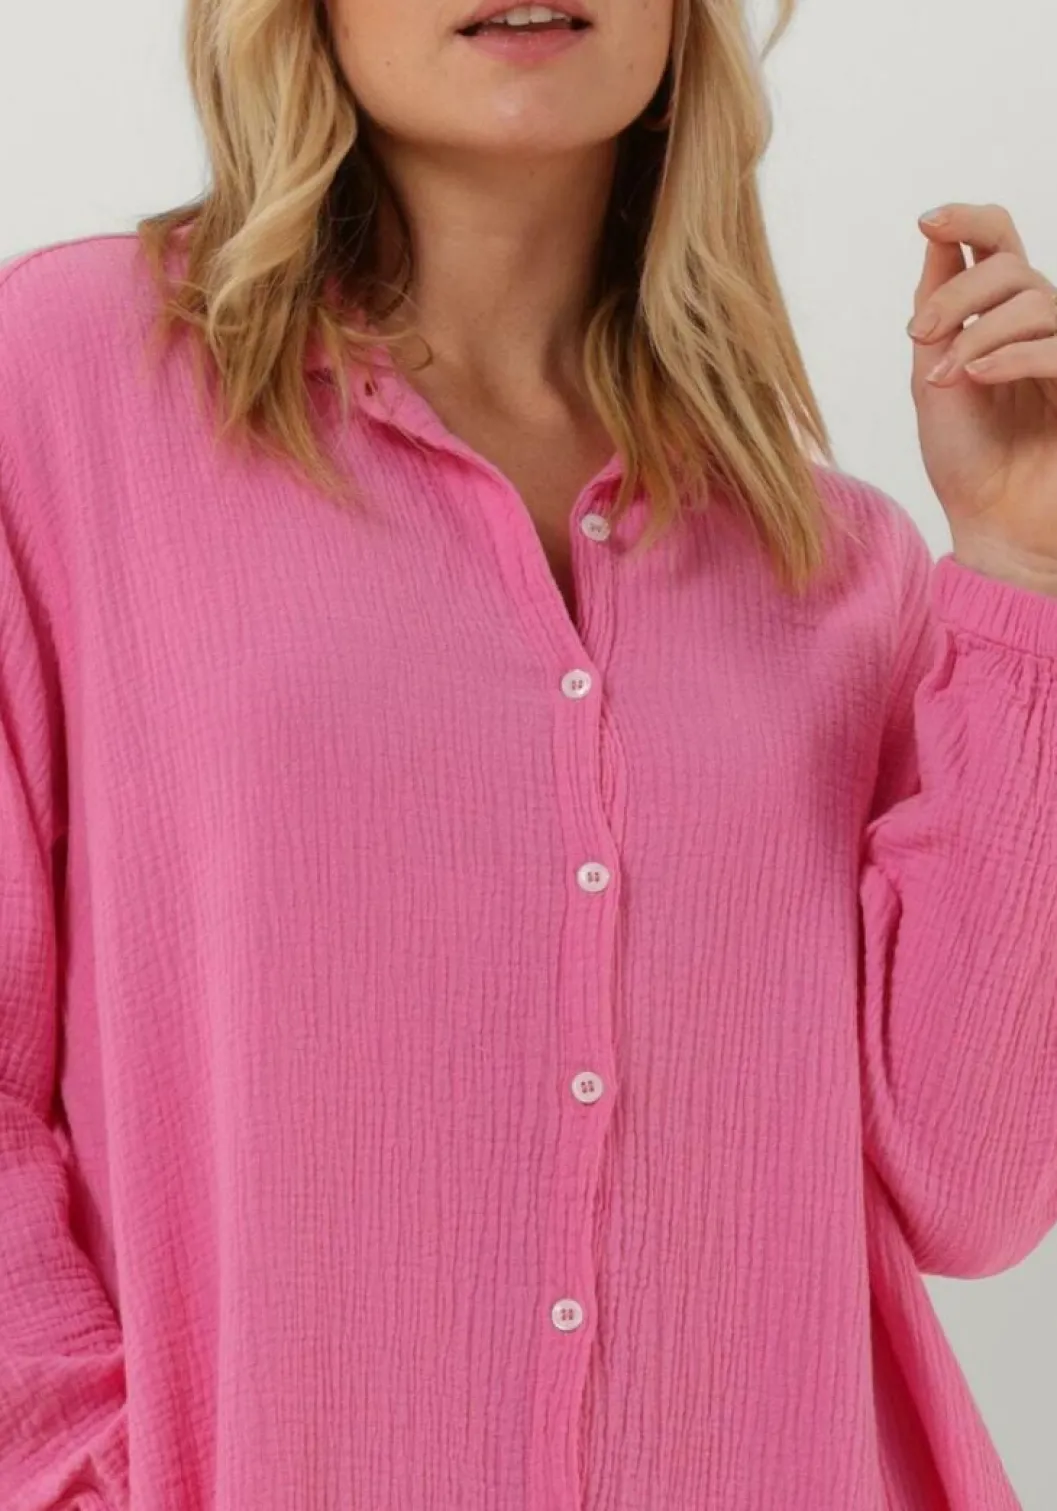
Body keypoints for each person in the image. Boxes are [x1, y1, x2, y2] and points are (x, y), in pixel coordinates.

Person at [2, 0, 1056, 1507]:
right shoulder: (72, 382)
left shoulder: (836, 567)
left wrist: (1022, 570)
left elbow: (975, 1190)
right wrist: (86, 1475)